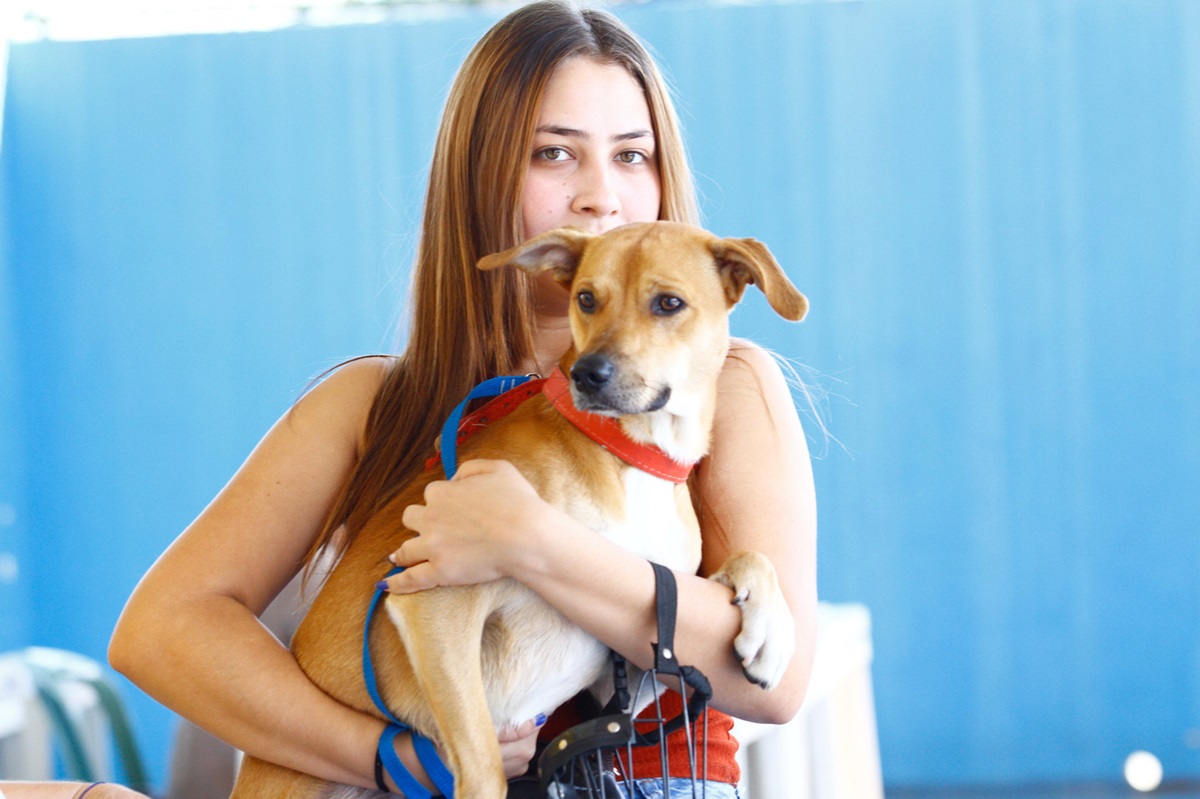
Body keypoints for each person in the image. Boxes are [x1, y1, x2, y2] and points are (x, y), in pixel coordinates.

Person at [108, 1, 818, 796]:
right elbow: (160, 628)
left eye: (631, 155)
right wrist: (385, 756)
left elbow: (774, 686)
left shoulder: (729, 387)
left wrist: (533, 542)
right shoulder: (374, 402)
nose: (600, 196)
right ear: (482, 173)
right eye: (553, 153)